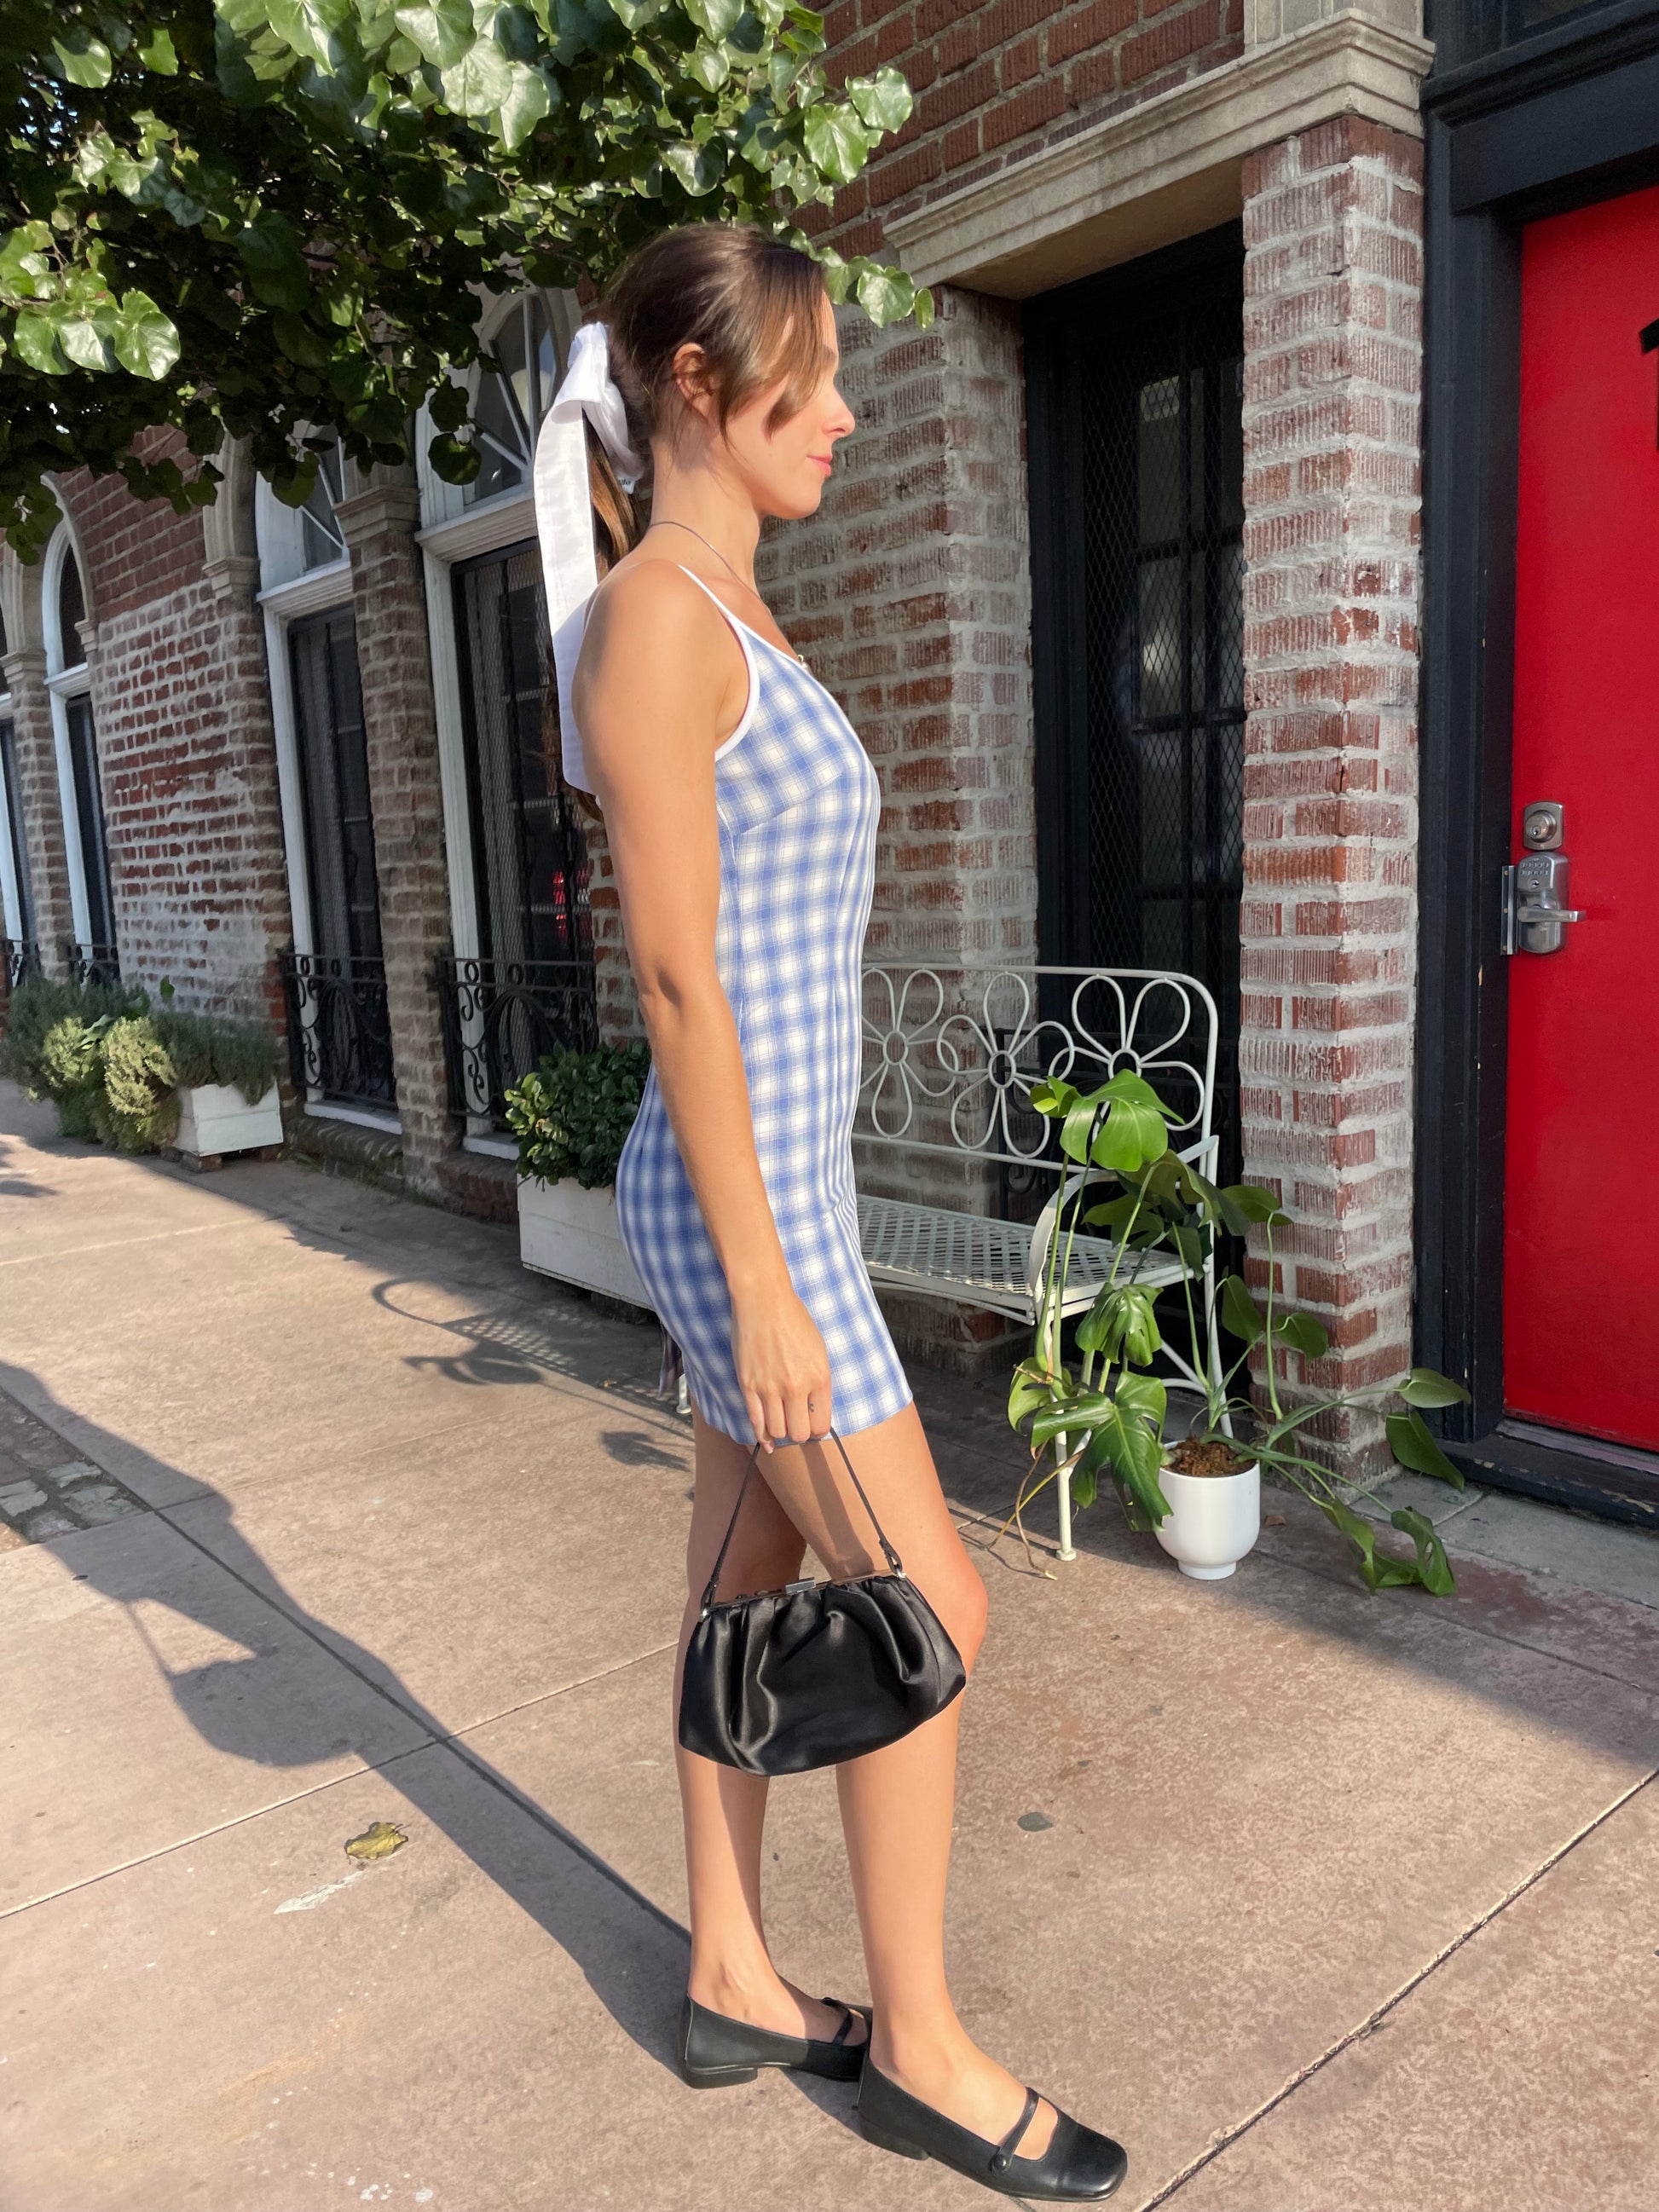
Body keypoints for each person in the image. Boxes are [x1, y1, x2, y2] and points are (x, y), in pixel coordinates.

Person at [550, 222, 1127, 2201]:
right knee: (928, 1608)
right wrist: (775, 1287)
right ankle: (926, 2054)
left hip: (761, 1195)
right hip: (744, 1216)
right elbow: (679, 977)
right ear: (701, 389)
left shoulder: (728, 604)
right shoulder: (654, 620)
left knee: (740, 1589)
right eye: (810, 381)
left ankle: (729, 1972)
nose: (849, 415)